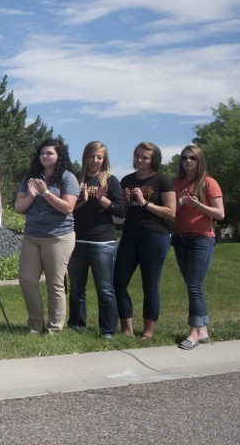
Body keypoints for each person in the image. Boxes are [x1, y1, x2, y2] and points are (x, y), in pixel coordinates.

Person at [13, 139, 79, 334]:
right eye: (42, 153)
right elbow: (18, 207)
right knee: (26, 279)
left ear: (59, 156)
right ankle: (35, 325)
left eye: (49, 153)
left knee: (54, 283)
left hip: (59, 236)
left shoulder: (67, 178)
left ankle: (54, 329)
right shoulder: (30, 178)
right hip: (32, 236)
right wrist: (32, 194)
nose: (44, 156)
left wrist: (46, 192)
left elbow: (68, 207)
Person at [113, 142, 176, 339]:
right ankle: (127, 330)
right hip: (130, 235)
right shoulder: (126, 180)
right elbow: (121, 212)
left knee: (150, 285)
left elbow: (171, 213)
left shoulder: (162, 181)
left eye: (145, 157)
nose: (139, 160)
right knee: (118, 282)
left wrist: (144, 202)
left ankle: (148, 332)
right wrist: (123, 201)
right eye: (137, 156)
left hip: (155, 236)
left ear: (153, 160)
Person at [67, 141, 124, 339]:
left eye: (99, 157)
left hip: (102, 242)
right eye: (92, 156)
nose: (95, 160)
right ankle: (76, 325)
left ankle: (108, 330)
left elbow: (121, 211)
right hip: (77, 240)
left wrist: (101, 198)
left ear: (104, 159)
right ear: (85, 157)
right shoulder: (75, 178)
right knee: (76, 289)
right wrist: (82, 200)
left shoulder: (110, 180)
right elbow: (67, 209)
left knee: (105, 289)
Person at [172, 145, 224, 350]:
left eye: (192, 158)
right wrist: (179, 202)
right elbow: (171, 214)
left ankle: (193, 332)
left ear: (199, 160)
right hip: (180, 239)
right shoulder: (176, 184)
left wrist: (198, 206)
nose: (188, 161)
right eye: (184, 158)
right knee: (193, 286)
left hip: (202, 239)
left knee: (194, 286)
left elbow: (220, 214)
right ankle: (203, 330)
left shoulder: (209, 183)